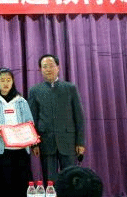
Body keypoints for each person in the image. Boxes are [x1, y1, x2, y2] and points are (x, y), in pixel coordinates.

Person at [28, 54, 85, 182]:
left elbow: (79, 117)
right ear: (40, 70)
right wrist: (34, 144)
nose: (48, 69)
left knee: (71, 179)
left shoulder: (70, 88)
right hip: (46, 142)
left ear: (58, 67)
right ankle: (51, 196)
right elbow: (32, 119)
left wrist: (80, 142)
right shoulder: (35, 91)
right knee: (49, 181)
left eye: (51, 66)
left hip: (68, 141)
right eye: (45, 66)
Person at [0, 67, 34, 197]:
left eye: (8, 80)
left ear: (13, 82)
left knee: (22, 188)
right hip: (1, 151)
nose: (5, 83)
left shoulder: (22, 101)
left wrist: (26, 132)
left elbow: (30, 123)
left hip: (21, 151)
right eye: (2, 80)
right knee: (3, 189)